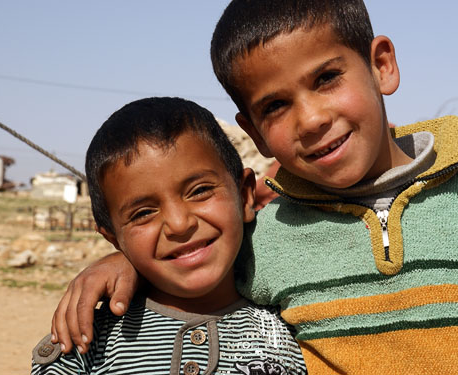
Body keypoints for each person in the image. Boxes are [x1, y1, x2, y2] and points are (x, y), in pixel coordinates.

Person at [51, 0, 458, 374]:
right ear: (252, 130)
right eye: (275, 106)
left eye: (327, 79)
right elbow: (190, 255)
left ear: (381, 65)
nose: (310, 119)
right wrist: (121, 261)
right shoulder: (265, 242)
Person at [32, 97, 306, 375]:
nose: (178, 224)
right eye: (142, 213)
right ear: (113, 239)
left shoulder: (302, 322)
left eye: (199, 191)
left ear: (245, 194)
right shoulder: (85, 344)